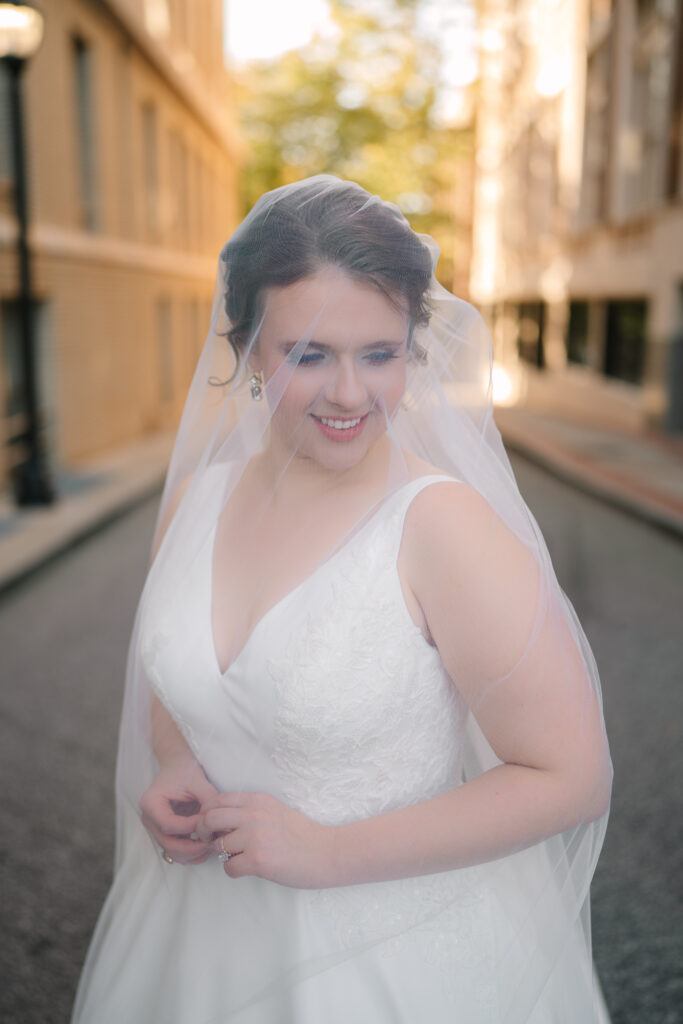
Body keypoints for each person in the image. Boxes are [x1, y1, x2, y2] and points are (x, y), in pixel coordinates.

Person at [71, 176, 612, 1024]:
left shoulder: (441, 529)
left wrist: (328, 852)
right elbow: (186, 688)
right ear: (248, 349)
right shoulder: (194, 503)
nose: (350, 395)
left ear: (413, 349)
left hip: (390, 954)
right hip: (201, 932)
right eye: (310, 354)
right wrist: (176, 760)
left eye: (380, 354)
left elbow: (571, 777)